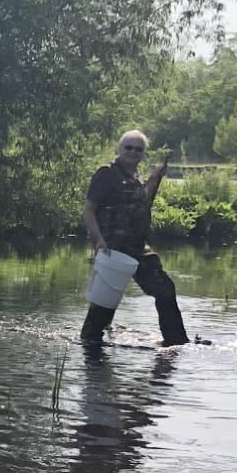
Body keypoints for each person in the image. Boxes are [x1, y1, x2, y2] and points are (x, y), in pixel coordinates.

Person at [79, 130, 191, 347]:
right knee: (103, 306)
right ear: (120, 149)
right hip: (113, 248)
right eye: (128, 148)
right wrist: (99, 240)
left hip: (139, 248)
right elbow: (88, 210)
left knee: (165, 289)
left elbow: (141, 205)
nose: (132, 152)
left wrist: (155, 179)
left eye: (138, 149)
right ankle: (89, 346)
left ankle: (176, 343)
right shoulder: (106, 174)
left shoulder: (136, 178)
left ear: (143, 153)